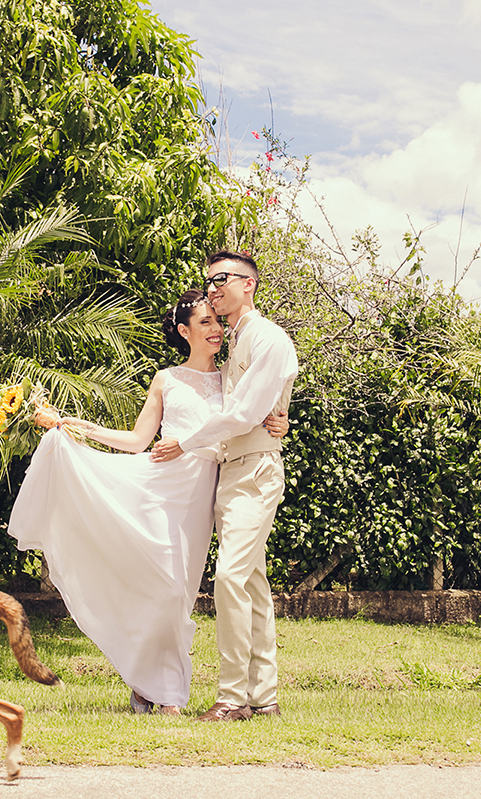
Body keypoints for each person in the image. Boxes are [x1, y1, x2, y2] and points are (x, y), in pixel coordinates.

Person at [7, 289, 287, 715]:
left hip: (202, 498)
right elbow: (139, 440)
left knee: (179, 594)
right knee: (164, 590)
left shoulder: (232, 376)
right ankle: (161, 691)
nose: (216, 329)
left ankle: (152, 687)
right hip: (160, 489)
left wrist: (280, 418)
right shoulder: (166, 379)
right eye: (206, 322)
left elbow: (253, 408)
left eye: (217, 320)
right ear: (183, 330)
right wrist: (80, 428)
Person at [150, 250, 299, 722]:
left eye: (221, 280)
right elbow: (253, 405)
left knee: (232, 577)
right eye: (209, 282)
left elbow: (242, 414)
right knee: (252, 583)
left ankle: (233, 697)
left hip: (254, 468)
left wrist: (186, 442)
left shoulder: (268, 338)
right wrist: (280, 415)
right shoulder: (238, 340)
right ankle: (265, 697)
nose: (213, 288)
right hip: (233, 471)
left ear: (248, 284)